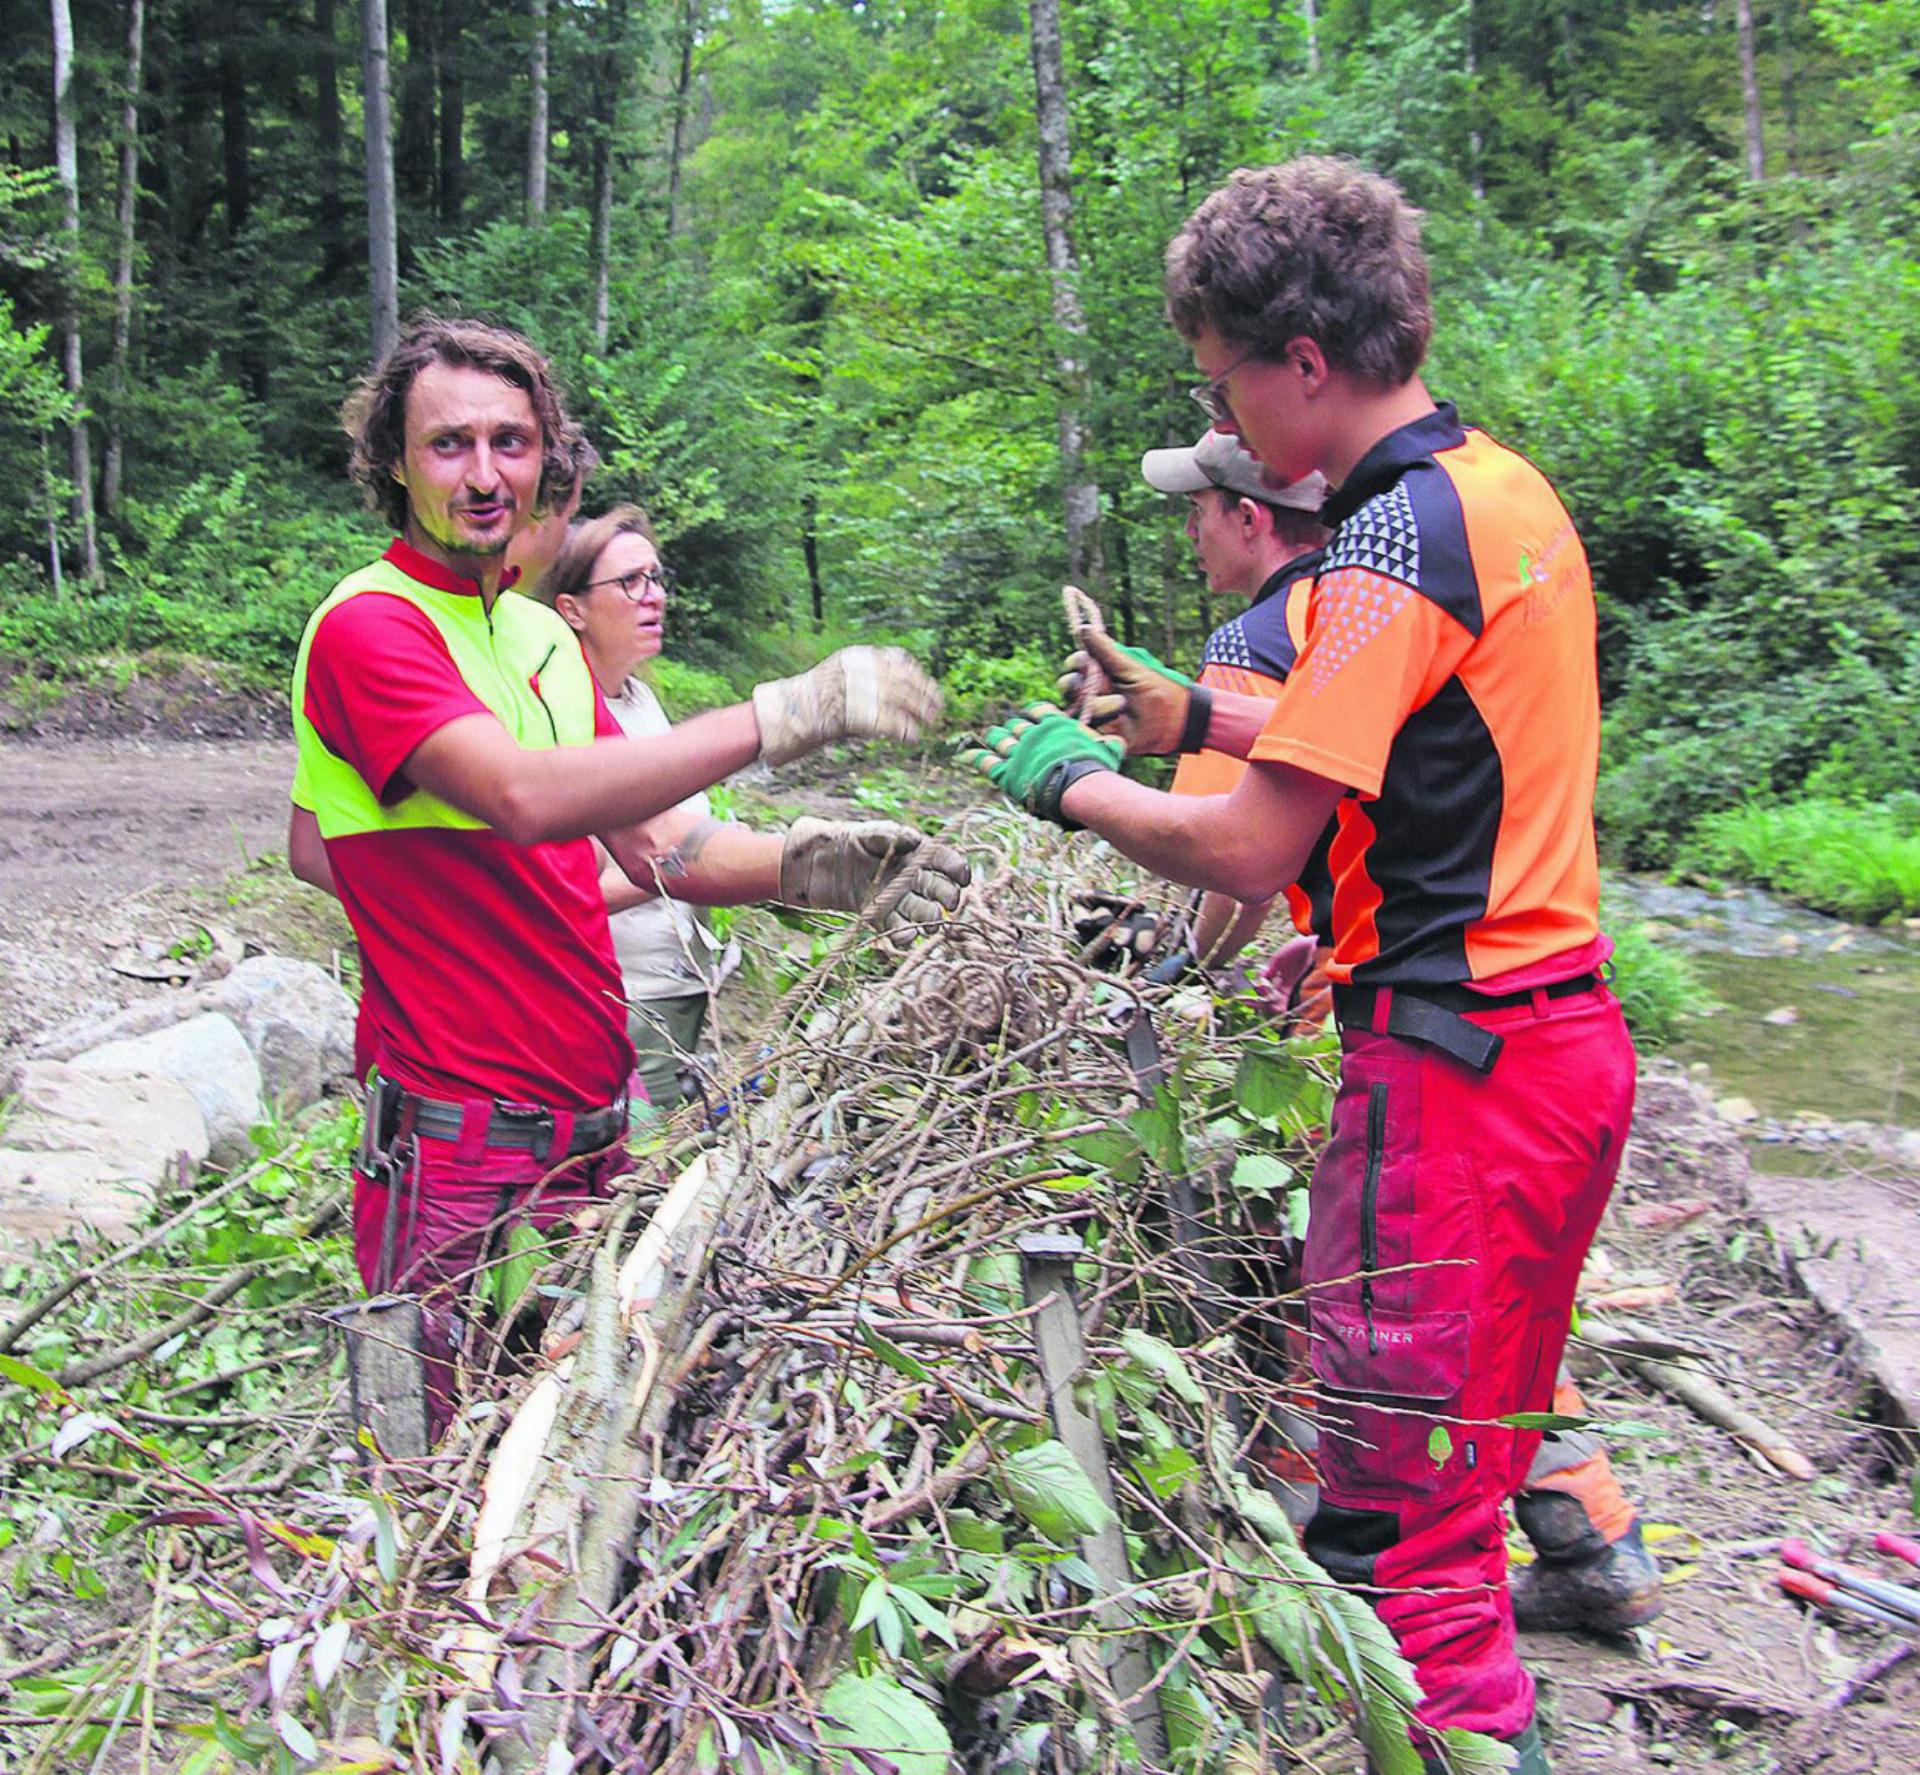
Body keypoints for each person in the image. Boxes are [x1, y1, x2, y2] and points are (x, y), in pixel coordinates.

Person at [971, 159, 1641, 1771]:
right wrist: (1192, 715)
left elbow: (1250, 850)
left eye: (1222, 386)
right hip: (1567, 1051)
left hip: (1454, 1074)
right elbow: (1404, 730)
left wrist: (1076, 782)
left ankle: (1478, 1744)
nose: (1228, 424)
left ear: (1302, 366)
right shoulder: (1496, 489)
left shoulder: (1386, 541)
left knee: (1396, 1511)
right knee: (1474, 1454)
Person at [290, 315, 967, 1429]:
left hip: (596, 1135)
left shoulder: (541, 640)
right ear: (392, 464)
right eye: (448, 443)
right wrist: (779, 715)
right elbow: (520, 797)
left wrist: (814, 866)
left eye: (511, 442)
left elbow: (662, 849)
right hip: (456, 1158)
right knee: (435, 1499)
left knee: (577, 1474)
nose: (484, 471)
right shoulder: (372, 627)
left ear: (545, 458)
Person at [1103, 426, 1663, 1634]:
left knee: (1376, 1329)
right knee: (1478, 1314)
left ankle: (1344, 1562)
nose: (1191, 529)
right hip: (1542, 1013)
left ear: (1253, 515)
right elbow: (1395, 776)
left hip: (1411, 1027)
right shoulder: (1500, 505)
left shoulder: (1288, 624)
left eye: (1199, 506)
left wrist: (1156, 951)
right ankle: (1583, 1516)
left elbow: (1239, 860)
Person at [534, 503, 941, 1113]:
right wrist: (742, 861)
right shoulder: (554, 719)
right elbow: (583, 884)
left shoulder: (639, 700)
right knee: (636, 1172)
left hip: (681, 987)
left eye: (657, 578)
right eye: (630, 582)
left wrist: (735, 852)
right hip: (619, 999)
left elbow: (672, 836)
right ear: (573, 610)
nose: (655, 597)